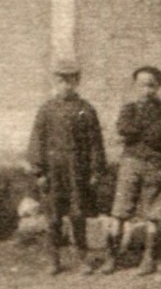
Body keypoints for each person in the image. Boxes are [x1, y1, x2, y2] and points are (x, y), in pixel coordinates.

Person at [27, 58, 107, 276]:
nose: (65, 85)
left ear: (77, 81)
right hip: (53, 171)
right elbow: (37, 141)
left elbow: (95, 143)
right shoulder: (46, 109)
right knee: (53, 218)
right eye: (61, 80)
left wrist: (95, 171)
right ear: (55, 81)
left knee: (77, 215)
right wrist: (39, 172)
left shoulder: (86, 109)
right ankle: (54, 260)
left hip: (77, 171)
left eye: (70, 80)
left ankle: (82, 258)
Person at [101, 64, 161, 276]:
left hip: (156, 164)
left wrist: (134, 132)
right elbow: (122, 128)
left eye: (151, 85)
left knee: (154, 213)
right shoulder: (128, 108)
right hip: (130, 162)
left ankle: (149, 259)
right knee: (120, 211)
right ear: (134, 86)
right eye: (141, 85)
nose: (146, 90)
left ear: (158, 86)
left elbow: (156, 136)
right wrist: (137, 131)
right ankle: (112, 258)